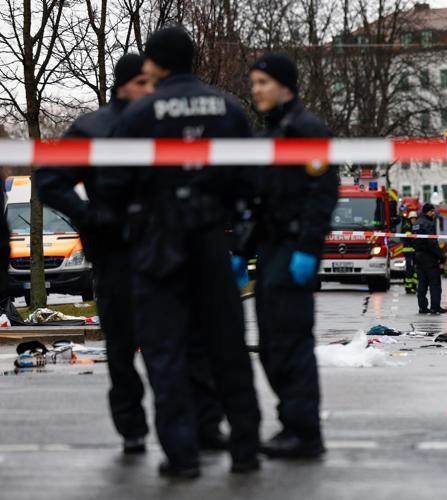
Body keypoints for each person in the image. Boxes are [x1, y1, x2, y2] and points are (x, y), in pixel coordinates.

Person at [36, 54, 231, 457]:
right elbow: (50, 179)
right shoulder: (92, 127)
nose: (151, 89)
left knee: (184, 341)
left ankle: (204, 423)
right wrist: (89, 216)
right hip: (115, 255)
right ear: (125, 84)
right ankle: (133, 428)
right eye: (143, 82)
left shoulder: (161, 121)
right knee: (123, 346)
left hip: (166, 248)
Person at [102, 27, 261, 478]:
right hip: (213, 241)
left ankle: (182, 455)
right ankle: (245, 448)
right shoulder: (227, 108)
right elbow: (249, 181)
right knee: (228, 346)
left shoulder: (141, 113)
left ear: (154, 63)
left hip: (159, 246)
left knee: (164, 350)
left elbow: (114, 185)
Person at [248, 52, 339, 459]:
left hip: (293, 250)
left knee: (292, 344)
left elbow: (322, 195)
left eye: (262, 83)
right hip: (270, 251)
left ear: (285, 85)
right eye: (253, 83)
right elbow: (260, 201)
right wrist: (242, 250)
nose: (255, 91)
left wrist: (307, 250)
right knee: (270, 345)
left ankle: (305, 433)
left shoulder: (306, 129)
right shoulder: (271, 134)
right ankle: (291, 422)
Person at [413, 203, 446, 314]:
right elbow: (432, 242)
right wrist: (441, 255)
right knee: (435, 284)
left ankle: (422, 307)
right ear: (427, 212)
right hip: (429, 258)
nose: (433, 213)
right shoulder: (429, 224)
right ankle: (435, 307)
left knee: (422, 284)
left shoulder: (416, 223)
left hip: (418, 257)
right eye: (432, 211)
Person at [402, 211, 418, 294]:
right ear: (409, 219)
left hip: (413, 251)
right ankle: (408, 287)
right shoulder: (407, 227)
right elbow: (410, 239)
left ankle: (414, 286)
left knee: (415, 269)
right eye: (412, 218)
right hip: (409, 251)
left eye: (415, 218)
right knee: (410, 269)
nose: (414, 220)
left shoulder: (414, 227)